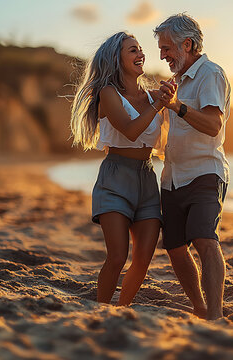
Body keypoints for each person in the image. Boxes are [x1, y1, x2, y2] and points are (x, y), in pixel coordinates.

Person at [70, 32, 174, 305]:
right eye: (132, 50)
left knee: (142, 260)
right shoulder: (108, 94)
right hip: (116, 179)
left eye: (141, 49)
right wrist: (159, 106)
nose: (141, 54)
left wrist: (170, 96)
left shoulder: (153, 96)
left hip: (147, 179)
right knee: (117, 257)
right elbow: (129, 131)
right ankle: (101, 311)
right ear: (117, 59)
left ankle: (120, 310)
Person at [154, 13, 231, 320]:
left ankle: (215, 315)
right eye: (160, 48)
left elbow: (213, 125)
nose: (162, 54)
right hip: (172, 177)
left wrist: (177, 106)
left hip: (205, 172)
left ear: (188, 44)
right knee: (174, 247)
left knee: (204, 239)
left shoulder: (210, 73)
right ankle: (198, 307)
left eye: (167, 47)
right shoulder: (175, 82)